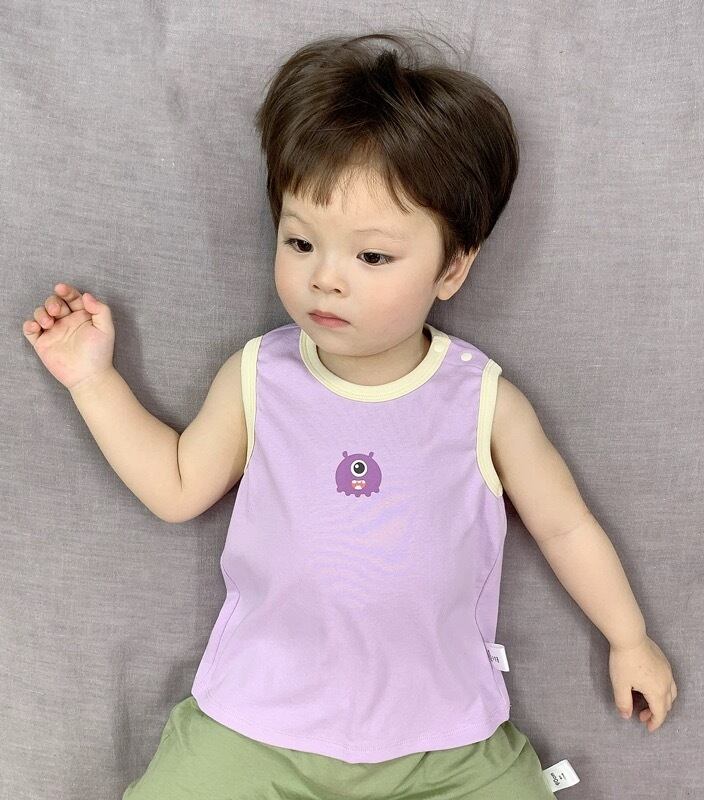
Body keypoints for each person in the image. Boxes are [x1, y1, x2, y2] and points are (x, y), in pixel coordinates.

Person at [22, 30, 676, 800]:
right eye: (301, 242)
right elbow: (174, 486)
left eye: (371, 257)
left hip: (444, 739)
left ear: (452, 267)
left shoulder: (483, 401)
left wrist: (628, 637)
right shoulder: (259, 376)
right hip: (256, 725)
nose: (326, 279)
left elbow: (565, 526)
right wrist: (91, 379)